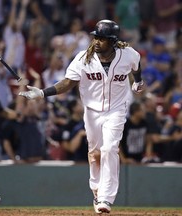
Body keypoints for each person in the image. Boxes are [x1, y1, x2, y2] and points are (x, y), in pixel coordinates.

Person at [19, 19, 145, 214]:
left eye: (102, 39)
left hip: (116, 110)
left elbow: (136, 67)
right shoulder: (83, 58)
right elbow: (68, 83)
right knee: (95, 153)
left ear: (112, 41)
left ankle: (106, 197)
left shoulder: (128, 54)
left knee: (110, 148)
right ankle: (96, 191)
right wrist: (43, 93)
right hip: (92, 111)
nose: (97, 41)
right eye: (96, 37)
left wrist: (137, 82)